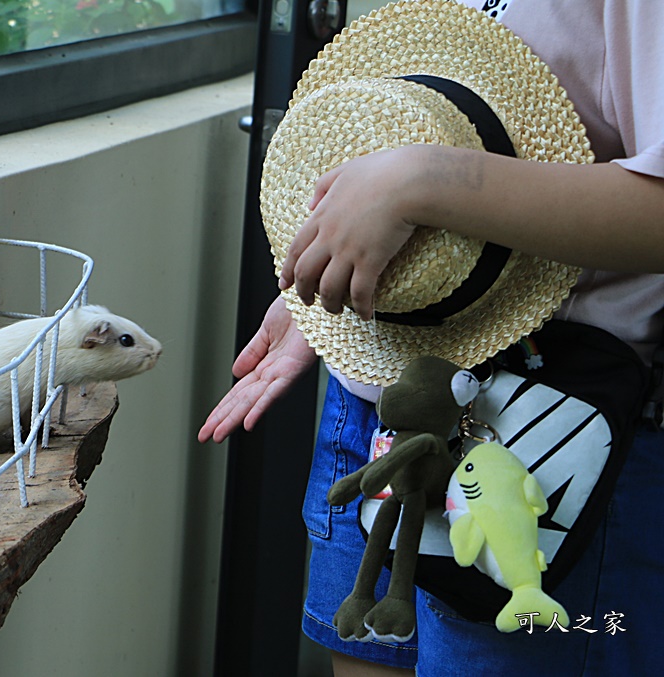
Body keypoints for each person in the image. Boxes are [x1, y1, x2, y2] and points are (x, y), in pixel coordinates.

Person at [199, 0, 664, 675]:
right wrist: (342, 283)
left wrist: (418, 183)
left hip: (545, 429)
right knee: (364, 643)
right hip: (378, 403)